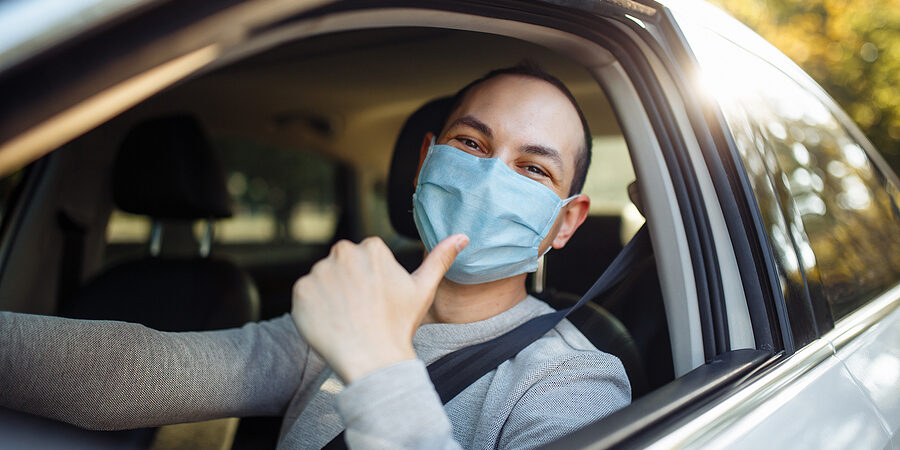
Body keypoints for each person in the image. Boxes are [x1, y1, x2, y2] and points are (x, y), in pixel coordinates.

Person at [0, 63, 630, 449]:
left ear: (566, 221)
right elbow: (142, 371)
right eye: (471, 143)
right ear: (426, 163)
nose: (490, 179)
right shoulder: (346, 310)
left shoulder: (573, 382)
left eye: (532, 168)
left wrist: (381, 365)